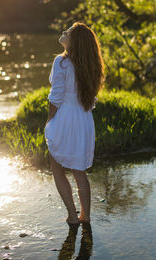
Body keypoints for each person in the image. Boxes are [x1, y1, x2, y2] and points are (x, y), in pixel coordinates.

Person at [44, 22, 105, 226]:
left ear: (74, 41)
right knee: (79, 171)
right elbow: (91, 98)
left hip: (65, 118)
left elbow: (56, 97)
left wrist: (49, 121)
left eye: (68, 32)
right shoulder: (90, 65)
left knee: (57, 167)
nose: (64, 32)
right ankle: (85, 216)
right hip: (84, 119)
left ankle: (72, 215)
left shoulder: (61, 62)